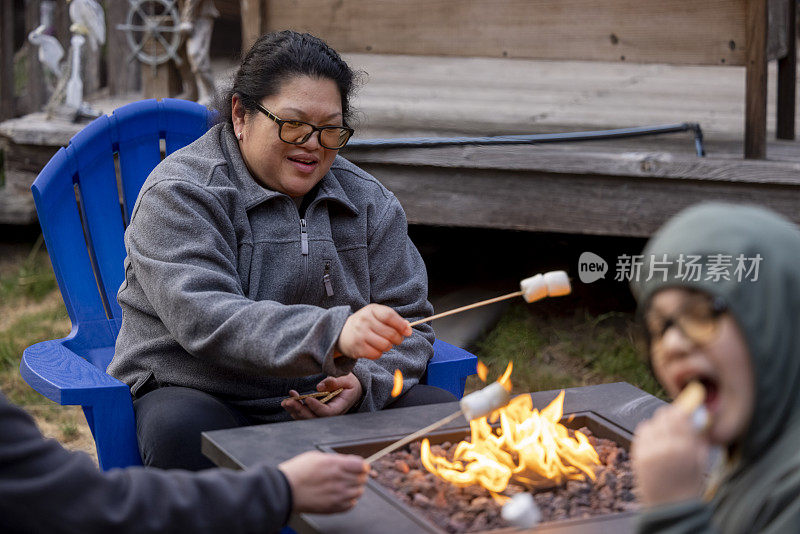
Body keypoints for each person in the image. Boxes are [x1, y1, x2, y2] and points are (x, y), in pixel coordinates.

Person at [107, 30, 456, 471]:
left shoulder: (368, 201)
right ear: (241, 114)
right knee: (181, 428)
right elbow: (206, 318)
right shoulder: (182, 193)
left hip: (328, 402)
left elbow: (410, 320)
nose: (311, 144)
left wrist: (363, 383)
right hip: (205, 395)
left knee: (439, 416)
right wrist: (334, 335)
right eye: (293, 124)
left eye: (330, 130)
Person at [630, 202, 800, 533]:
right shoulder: (752, 449)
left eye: (701, 314)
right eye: (659, 326)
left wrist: (674, 514)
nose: (672, 345)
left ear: (774, 321)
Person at [0, 389, 368, 533]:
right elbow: (86, 506)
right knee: (177, 426)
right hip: (197, 396)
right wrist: (280, 490)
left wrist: (365, 377)